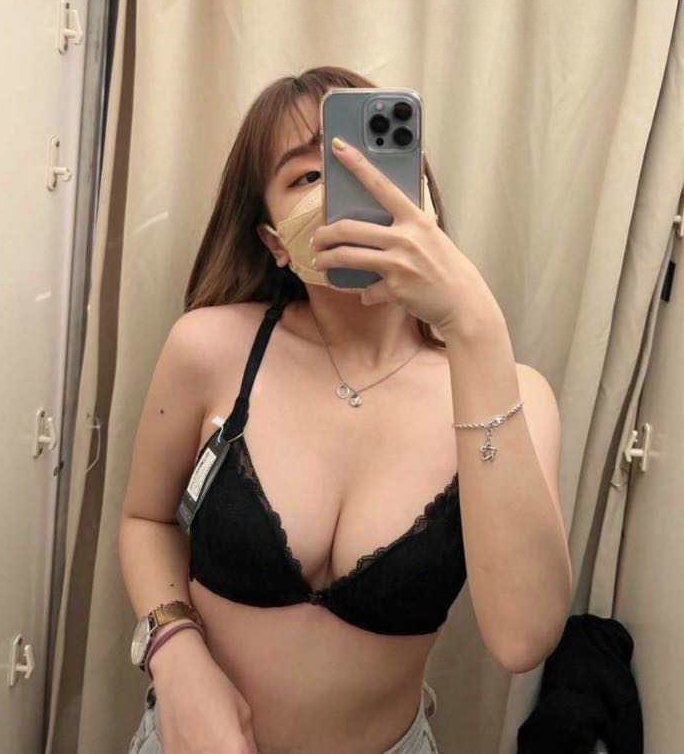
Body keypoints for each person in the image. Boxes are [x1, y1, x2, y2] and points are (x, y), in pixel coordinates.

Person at [120, 65, 570, 753]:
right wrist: (174, 651)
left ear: (421, 196)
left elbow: (523, 639)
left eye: (370, 164)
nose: (344, 192)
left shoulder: (512, 395)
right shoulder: (210, 349)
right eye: (308, 176)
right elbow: (146, 520)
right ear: (274, 241)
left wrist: (474, 326)